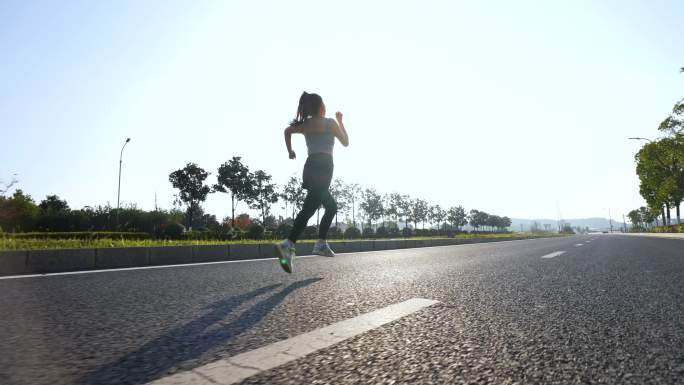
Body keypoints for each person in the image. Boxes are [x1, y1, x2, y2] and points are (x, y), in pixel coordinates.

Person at [275, 92, 349, 273]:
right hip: (324, 167)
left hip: (310, 167)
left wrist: (290, 151)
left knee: (328, 206)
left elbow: (287, 131)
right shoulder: (330, 123)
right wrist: (340, 121)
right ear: (321, 107)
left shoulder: (306, 124)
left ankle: (317, 243)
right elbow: (346, 142)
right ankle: (292, 244)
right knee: (312, 207)